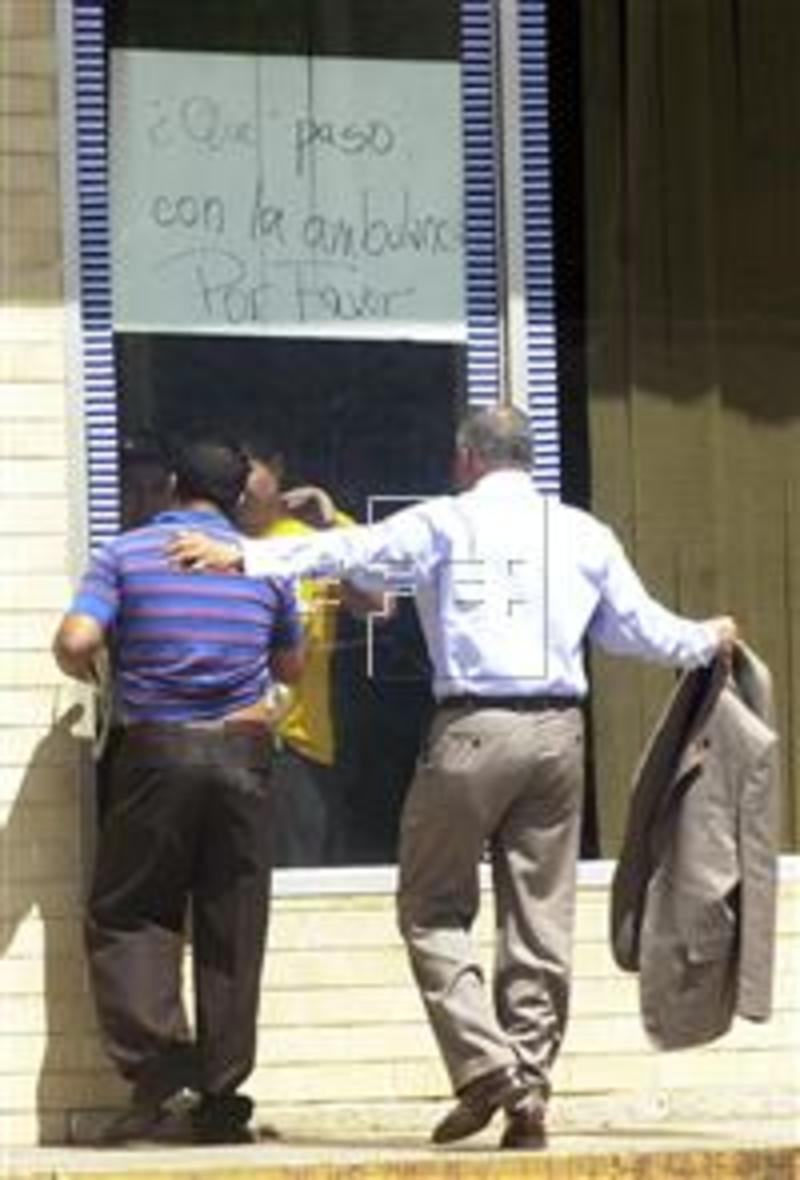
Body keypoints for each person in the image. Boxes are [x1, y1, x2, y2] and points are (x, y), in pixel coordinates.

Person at [168, 406, 737, 1151]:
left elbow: (346, 553)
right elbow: (640, 629)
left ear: (467, 458)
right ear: (528, 459)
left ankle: (488, 1066)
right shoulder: (582, 533)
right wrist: (708, 638)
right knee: (539, 918)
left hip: (471, 730)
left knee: (431, 906)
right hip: (559, 735)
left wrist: (240, 556)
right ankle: (528, 1088)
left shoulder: (444, 521)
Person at [53, 437, 304, 1145]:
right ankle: (222, 1096)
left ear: (170, 485)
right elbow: (292, 665)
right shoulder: (263, 564)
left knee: (130, 912)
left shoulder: (125, 555)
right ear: (239, 497)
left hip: (157, 753)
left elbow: (75, 641)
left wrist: (102, 676)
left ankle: (161, 1071)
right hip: (244, 754)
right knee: (234, 921)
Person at [238, 445, 385, 866]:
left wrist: (331, 526)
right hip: (226, 735)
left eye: (249, 471)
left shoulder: (315, 536)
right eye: (232, 473)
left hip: (298, 743)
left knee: (297, 870)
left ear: (276, 468)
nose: (240, 487)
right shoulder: (212, 536)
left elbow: (380, 604)